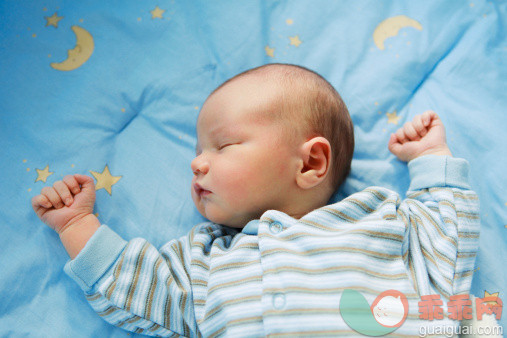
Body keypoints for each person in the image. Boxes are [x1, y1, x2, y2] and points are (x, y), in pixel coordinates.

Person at [32, 64, 479, 337]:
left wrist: (430, 157)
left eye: (222, 146)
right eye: (196, 152)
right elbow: (142, 292)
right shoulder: (207, 263)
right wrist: (77, 226)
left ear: (310, 163)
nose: (197, 164)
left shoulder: (374, 222)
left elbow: (447, 243)